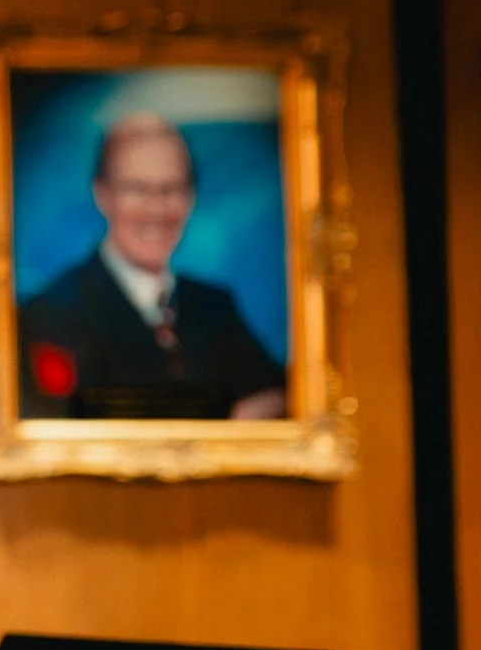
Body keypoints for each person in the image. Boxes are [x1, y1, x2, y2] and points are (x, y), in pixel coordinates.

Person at [16, 112, 285, 420]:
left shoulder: (214, 306)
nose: (156, 208)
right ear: (102, 194)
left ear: (191, 197)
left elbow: (275, 394)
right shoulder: (50, 312)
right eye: (137, 189)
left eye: (171, 189)